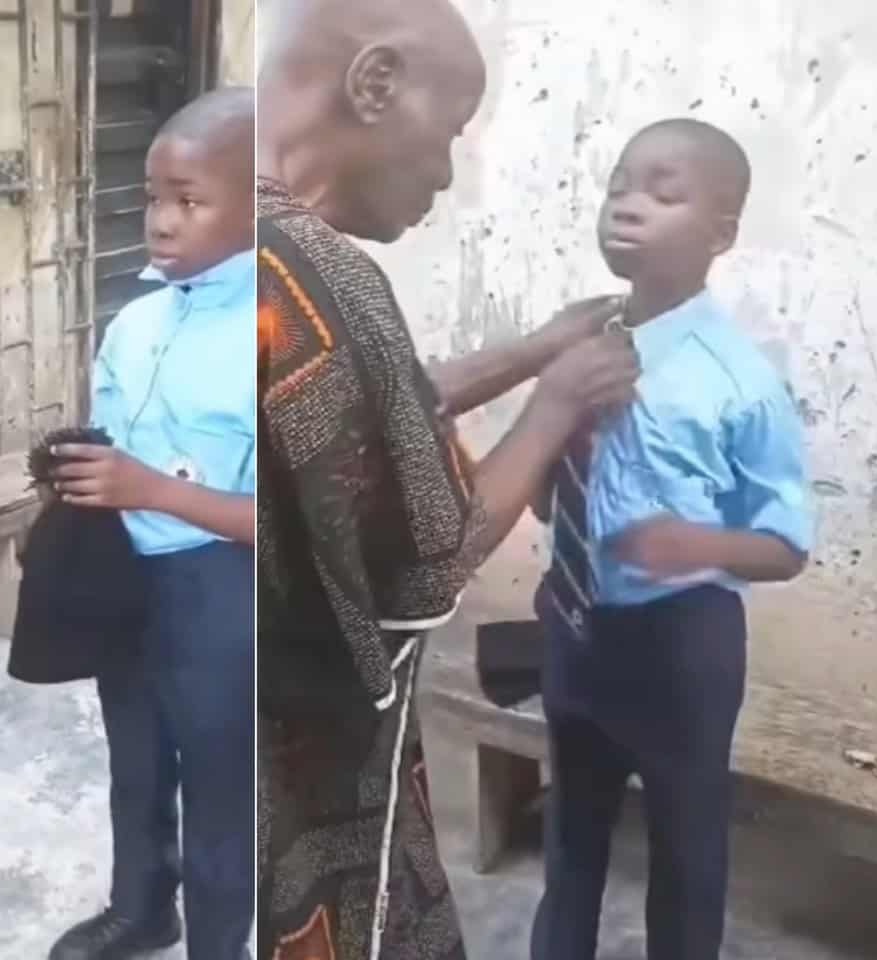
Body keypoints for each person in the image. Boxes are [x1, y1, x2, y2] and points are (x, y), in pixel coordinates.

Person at [255, 0, 644, 955]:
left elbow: (362, 414)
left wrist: (533, 350)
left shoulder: (229, 237)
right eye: (453, 133)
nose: (445, 172)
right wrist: (555, 404)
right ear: (375, 83)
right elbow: (434, 558)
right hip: (313, 759)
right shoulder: (326, 275)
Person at [529, 119, 809, 960]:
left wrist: (692, 545)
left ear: (722, 233)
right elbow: (551, 508)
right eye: (618, 185)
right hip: (577, 628)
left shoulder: (740, 381)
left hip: (683, 648)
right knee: (569, 838)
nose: (628, 206)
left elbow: (787, 545)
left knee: (687, 855)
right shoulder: (578, 344)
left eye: (663, 192)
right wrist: (561, 437)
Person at [41, 88, 258, 960]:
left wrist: (149, 490)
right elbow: (109, 450)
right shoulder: (133, 323)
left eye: (190, 201)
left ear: (255, 203)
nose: (162, 223)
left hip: (219, 588)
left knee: (218, 786)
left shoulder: (276, 335)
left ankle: (215, 941)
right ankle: (141, 910)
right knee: (135, 763)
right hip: (125, 578)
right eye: (153, 199)